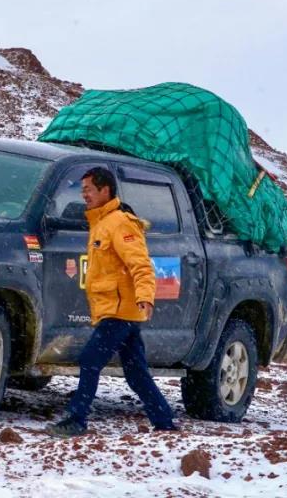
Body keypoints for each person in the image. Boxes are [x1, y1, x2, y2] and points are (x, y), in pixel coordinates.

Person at [46, 166, 177, 436]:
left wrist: (145, 297)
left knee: (90, 359)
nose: (84, 195)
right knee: (136, 372)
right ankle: (164, 420)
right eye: (82, 190)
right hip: (117, 310)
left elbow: (141, 264)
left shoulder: (120, 223)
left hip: (120, 311)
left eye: (88, 190)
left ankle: (77, 418)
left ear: (105, 190)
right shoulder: (100, 223)